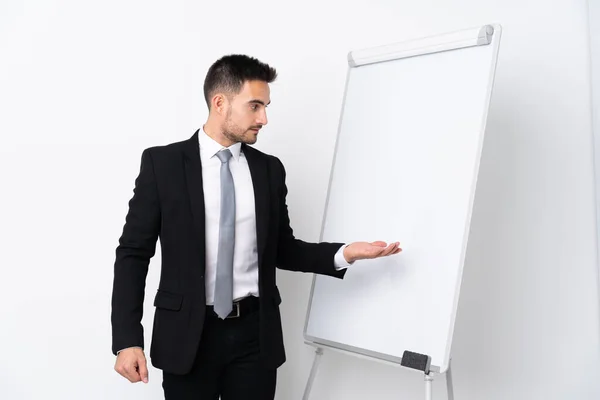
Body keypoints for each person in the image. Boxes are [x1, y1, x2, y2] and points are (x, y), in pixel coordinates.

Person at [111, 54, 401, 400]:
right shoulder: (163, 165)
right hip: (186, 335)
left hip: (254, 335)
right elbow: (133, 253)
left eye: (266, 106)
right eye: (255, 106)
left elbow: (283, 248)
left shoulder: (268, 170)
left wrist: (343, 254)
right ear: (220, 103)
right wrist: (127, 339)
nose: (264, 118)